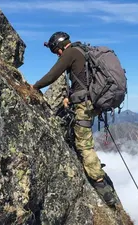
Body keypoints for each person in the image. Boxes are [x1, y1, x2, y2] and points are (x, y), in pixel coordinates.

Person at [30, 31, 117, 206]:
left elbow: (53, 74)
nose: (57, 55)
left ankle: (101, 186)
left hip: (84, 105)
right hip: (91, 102)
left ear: (61, 46)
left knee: (84, 144)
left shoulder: (70, 52)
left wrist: (34, 86)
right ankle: (92, 165)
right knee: (78, 134)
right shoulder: (83, 51)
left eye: (56, 51)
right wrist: (70, 97)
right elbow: (82, 80)